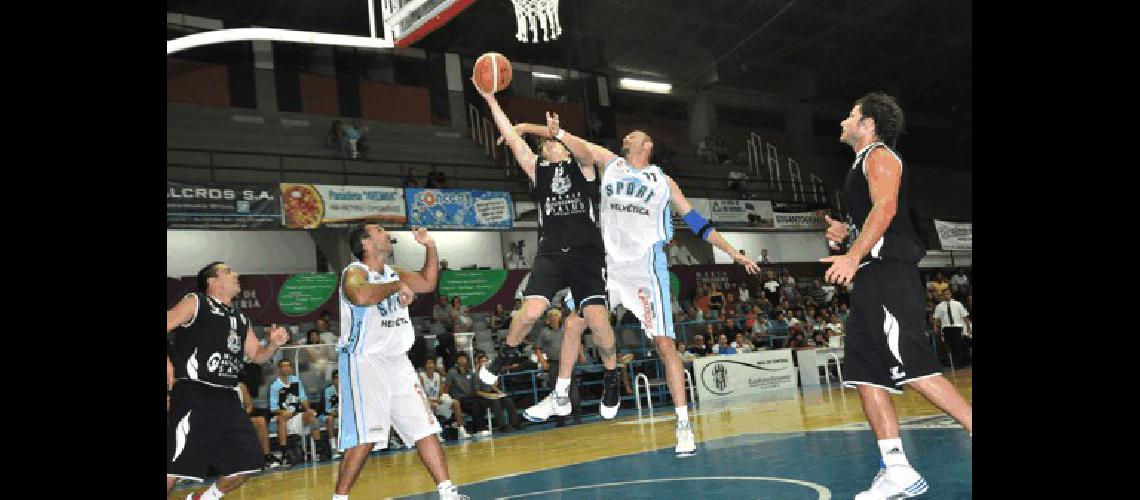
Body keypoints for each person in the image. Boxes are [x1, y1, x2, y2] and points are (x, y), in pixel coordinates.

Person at [533, 111, 760, 457]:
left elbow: (697, 222)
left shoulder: (663, 182)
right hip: (605, 263)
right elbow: (580, 147)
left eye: (631, 137)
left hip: (645, 269)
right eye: (624, 139)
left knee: (666, 346)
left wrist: (734, 253)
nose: (624, 140)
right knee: (573, 322)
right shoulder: (611, 164)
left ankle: (683, 424)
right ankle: (562, 392)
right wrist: (558, 132)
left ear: (647, 146)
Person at [821, 92, 972, 499]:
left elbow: (886, 210)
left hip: (889, 276)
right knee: (866, 375)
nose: (843, 120)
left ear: (868, 125)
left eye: (850, 114)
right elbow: (873, 221)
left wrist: (851, 255)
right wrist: (845, 236)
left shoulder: (880, 155)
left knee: (918, 369)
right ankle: (897, 470)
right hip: (872, 278)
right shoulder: (859, 164)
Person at [474, 83, 622, 422]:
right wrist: (490, 100)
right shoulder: (538, 170)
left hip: (586, 254)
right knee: (529, 313)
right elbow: (512, 139)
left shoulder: (582, 168)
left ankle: (611, 376)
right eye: (545, 145)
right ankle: (504, 356)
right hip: (552, 252)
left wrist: (562, 134)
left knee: (599, 324)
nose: (546, 147)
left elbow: (586, 152)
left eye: (551, 143)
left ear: (564, 150)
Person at [332, 223, 467, 500]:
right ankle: (340, 498)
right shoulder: (355, 272)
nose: (387, 234)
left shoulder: (394, 272)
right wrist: (397, 286)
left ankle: (447, 491)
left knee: (425, 426)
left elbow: (428, 283)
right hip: (364, 360)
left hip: (398, 361)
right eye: (380, 231)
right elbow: (359, 295)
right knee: (366, 437)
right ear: (366, 243)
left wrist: (429, 245)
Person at [166, 262, 290, 496]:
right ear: (211, 281)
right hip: (196, 395)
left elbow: (257, 356)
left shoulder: (241, 318)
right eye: (228, 271)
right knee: (172, 469)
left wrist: (273, 344)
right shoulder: (196, 302)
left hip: (228, 399)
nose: (236, 274)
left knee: (248, 463)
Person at [269, 359, 323, 463]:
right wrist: (282, 412)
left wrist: (308, 409)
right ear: (279, 369)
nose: (286, 368)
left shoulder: (296, 380)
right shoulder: (275, 386)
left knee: (311, 416)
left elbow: (303, 398)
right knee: (281, 418)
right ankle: (284, 452)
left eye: (288, 365)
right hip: (284, 417)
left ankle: (319, 448)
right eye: (284, 366)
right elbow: (273, 408)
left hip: (297, 415)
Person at [932, 290, 971, 367]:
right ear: (943, 295)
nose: (947, 295)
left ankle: (958, 364)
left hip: (957, 327)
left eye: (948, 294)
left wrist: (968, 326)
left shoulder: (958, 304)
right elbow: (935, 318)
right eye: (945, 294)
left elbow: (964, 315)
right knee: (949, 345)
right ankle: (952, 363)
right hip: (946, 328)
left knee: (958, 345)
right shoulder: (939, 306)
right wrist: (935, 326)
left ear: (951, 294)